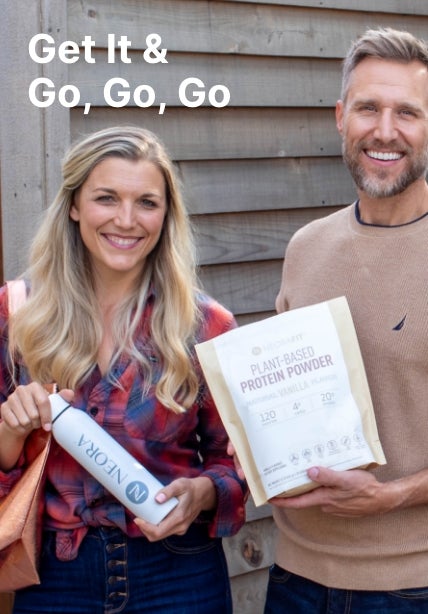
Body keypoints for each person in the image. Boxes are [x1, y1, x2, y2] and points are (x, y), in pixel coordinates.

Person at [0, 126, 247, 613]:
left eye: (147, 203)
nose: (127, 220)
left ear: (166, 215)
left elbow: (236, 462)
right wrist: (11, 430)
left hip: (179, 575)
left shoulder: (205, 325)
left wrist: (199, 494)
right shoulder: (17, 314)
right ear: (74, 206)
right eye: (106, 198)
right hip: (55, 578)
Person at [266, 27, 428, 612]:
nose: (385, 131)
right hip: (293, 579)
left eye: (406, 112)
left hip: (411, 586)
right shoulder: (306, 247)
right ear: (341, 116)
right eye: (368, 108)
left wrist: (393, 496)